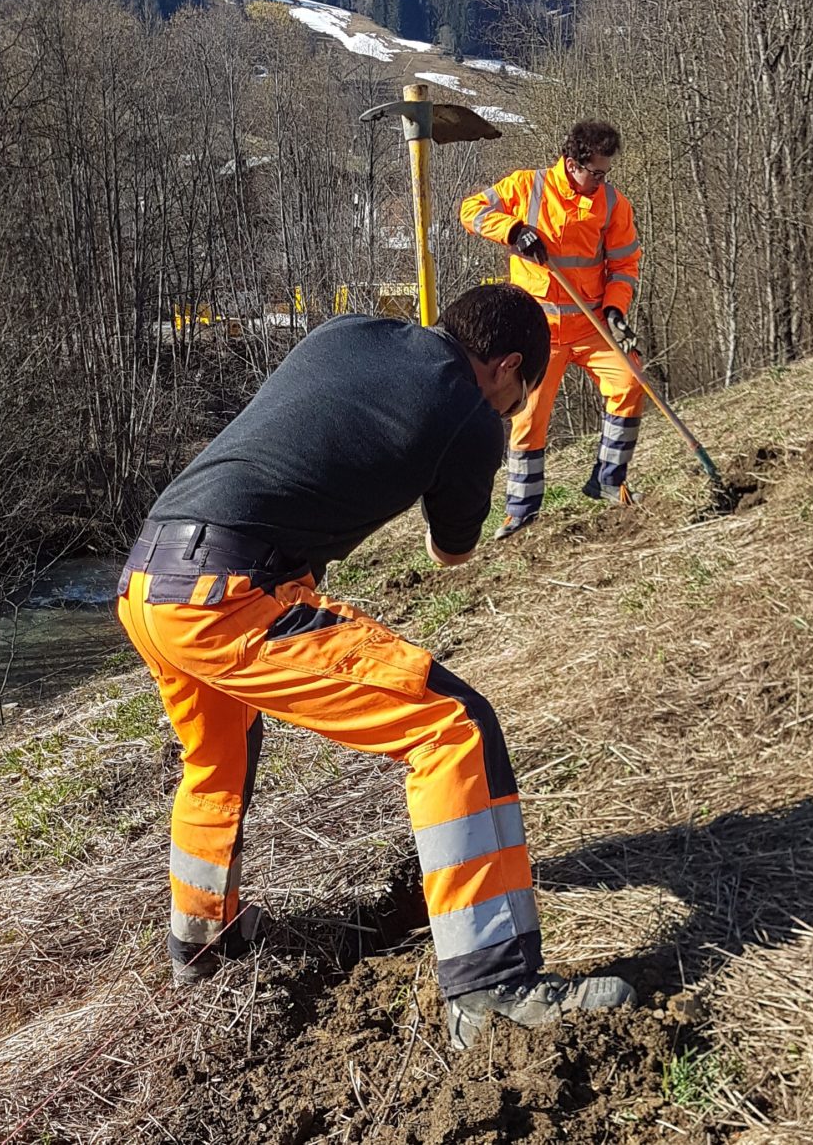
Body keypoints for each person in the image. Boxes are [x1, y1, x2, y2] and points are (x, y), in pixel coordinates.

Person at [116, 285, 635, 1050]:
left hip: (147, 580)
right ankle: (491, 988)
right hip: (229, 594)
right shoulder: (469, 412)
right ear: (508, 367)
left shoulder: (349, 328)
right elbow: (451, 552)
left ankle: (201, 941)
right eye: (519, 395)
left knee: (217, 759)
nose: (513, 409)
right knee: (452, 727)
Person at [460, 119, 645, 539]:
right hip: (535, 332)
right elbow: (470, 211)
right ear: (572, 161)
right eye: (594, 172)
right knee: (527, 416)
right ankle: (521, 511)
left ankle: (609, 480)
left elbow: (624, 264)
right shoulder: (526, 186)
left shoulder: (613, 204)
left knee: (630, 383)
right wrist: (513, 230)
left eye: (605, 174)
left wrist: (616, 310)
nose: (600, 181)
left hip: (592, 323)